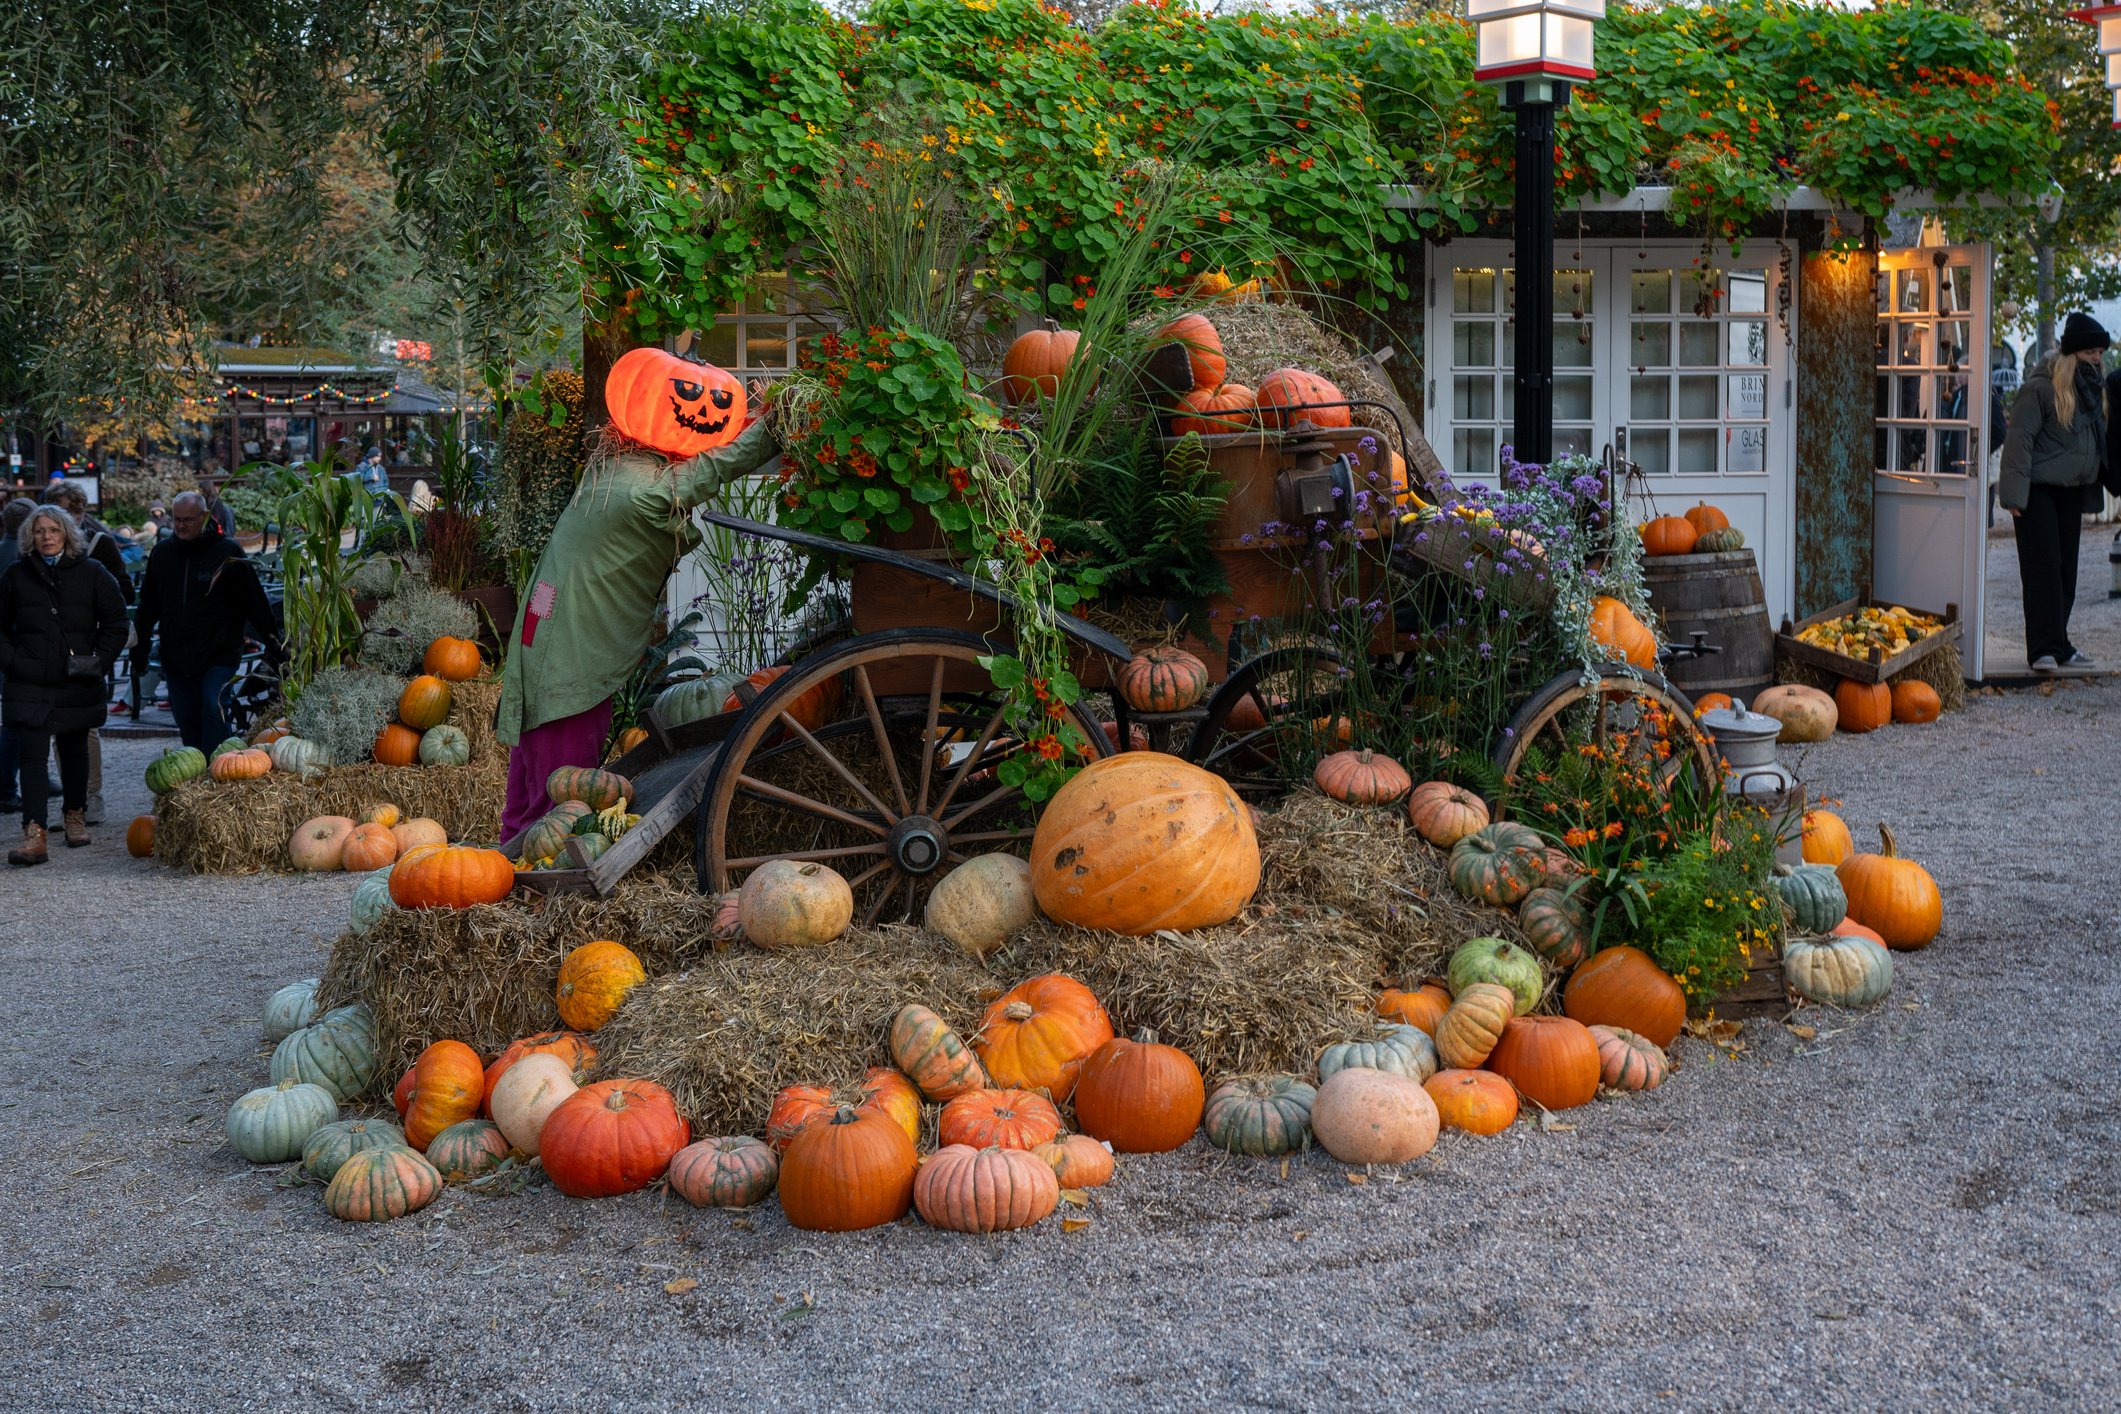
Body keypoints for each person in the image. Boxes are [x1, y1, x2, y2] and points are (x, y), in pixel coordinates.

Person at [498, 399, 782, 840]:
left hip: (548, 635)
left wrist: (747, 420)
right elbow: (714, 469)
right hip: (572, 652)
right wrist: (776, 424)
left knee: (532, 786)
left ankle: (510, 869)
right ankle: (542, 883)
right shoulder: (648, 489)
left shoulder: (612, 469)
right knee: (561, 798)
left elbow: (703, 459)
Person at [0, 505, 128, 863]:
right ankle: (34, 832)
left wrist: (99, 661)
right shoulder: (16, 575)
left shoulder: (93, 572)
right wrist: (12, 661)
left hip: (77, 677)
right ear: (30, 536)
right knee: (32, 755)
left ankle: (75, 815)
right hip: (28, 680)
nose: (46, 537)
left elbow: (116, 623)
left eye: (53, 529)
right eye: (39, 531)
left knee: (74, 751)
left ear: (67, 533)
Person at [131, 491, 283, 750]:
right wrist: (140, 650)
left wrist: (274, 644)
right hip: (177, 655)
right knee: (187, 721)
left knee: (213, 710)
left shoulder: (227, 552)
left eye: (188, 520)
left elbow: (255, 602)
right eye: (176, 519)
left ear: (204, 516)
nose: (180, 526)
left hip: (219, 653)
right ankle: (196, 777)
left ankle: (218, 771)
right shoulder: (162, 554)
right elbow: (148, 607)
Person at [2000, 311, 2106, 675]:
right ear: (2073, 352)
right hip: (2037, 492)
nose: (2097, 358)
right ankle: (2042, 649)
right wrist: (2013, 497)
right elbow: (2019, 440)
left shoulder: (2089, 389)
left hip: (2070, 491)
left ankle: (2059, 643)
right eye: (2091, 351)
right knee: (2042, 570)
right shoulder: (2041, 388)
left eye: (2099, 352)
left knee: (2067, 573)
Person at [42, 480, 131, 823]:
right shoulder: (43, 550)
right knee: (57, 726)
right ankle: (72, 798)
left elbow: (124, 593)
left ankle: (90, 796)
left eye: (69, 511)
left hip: (87, 650)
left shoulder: (99, 545)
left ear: (80, 512)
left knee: (85, 728)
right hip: (53, 652)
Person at [0, 497, 38, 813]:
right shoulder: (22, 561)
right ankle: (6, 787)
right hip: (21, 653)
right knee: (17, 722)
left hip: (9, 653)